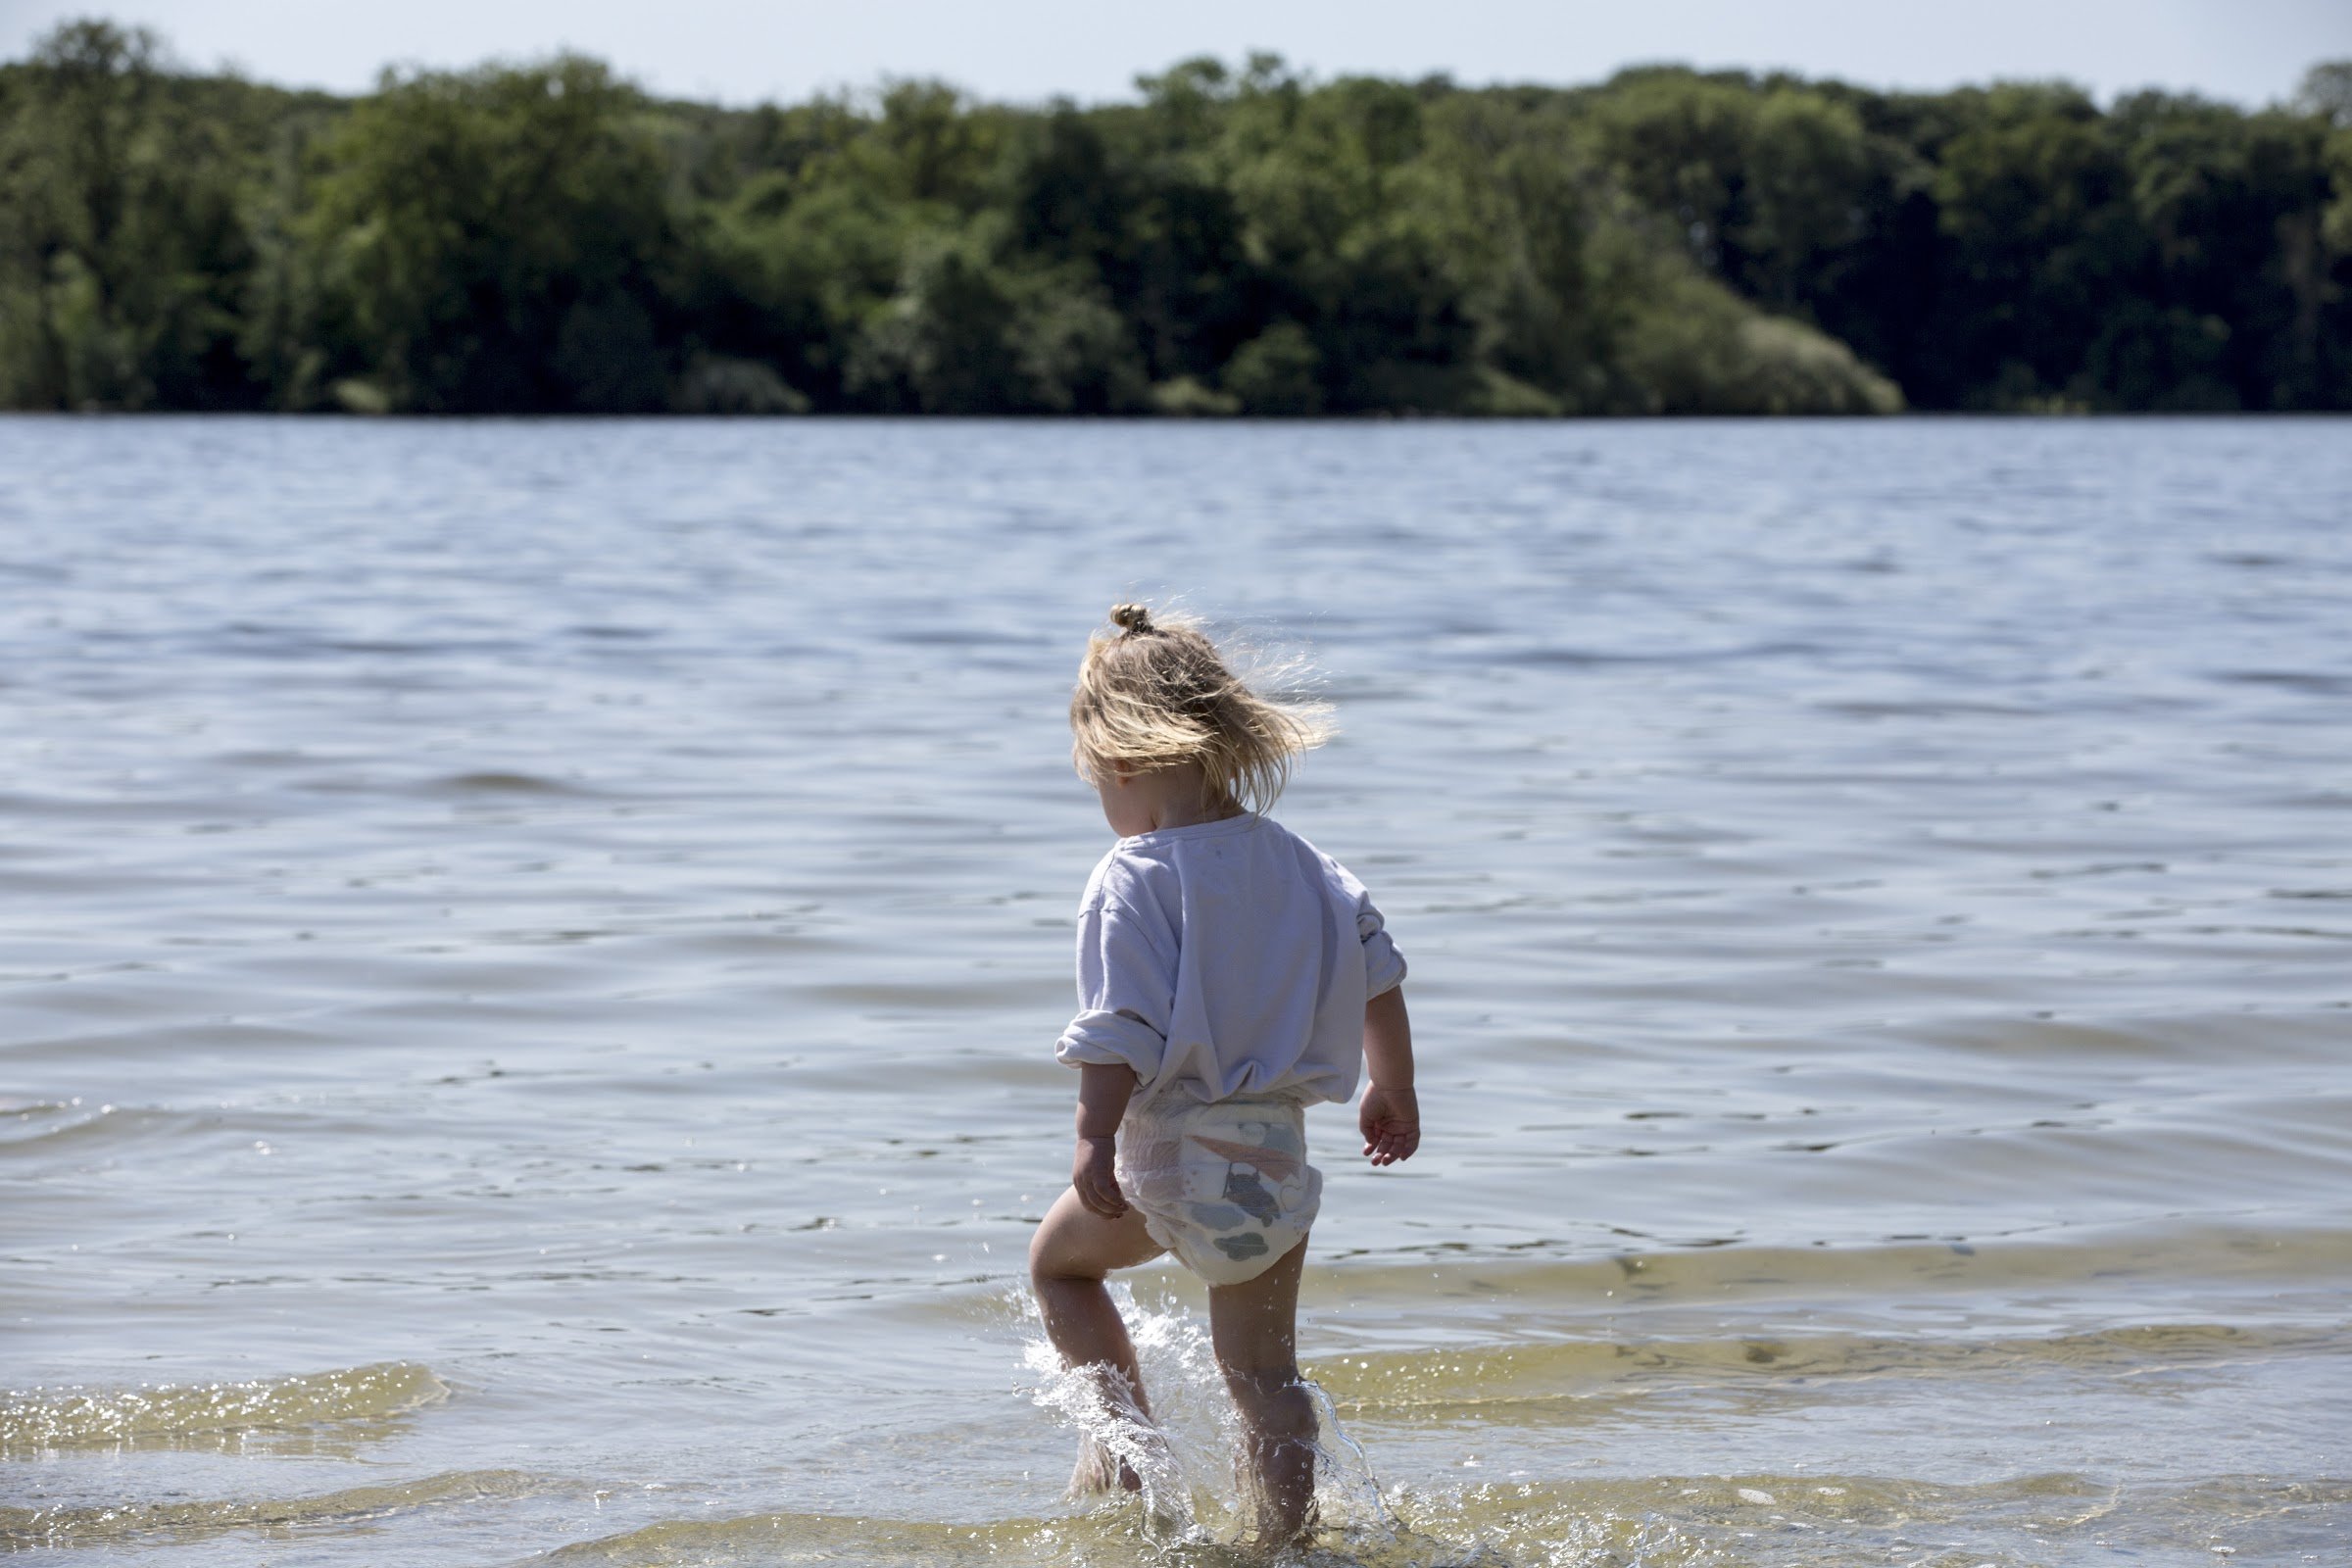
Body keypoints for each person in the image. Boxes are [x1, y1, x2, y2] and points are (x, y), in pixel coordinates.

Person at [1028, 602, 1419, 1549]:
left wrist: (1092, 1137)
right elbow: (1381, 977)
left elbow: (1117, 1025)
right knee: (1265, 1380)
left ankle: (1124, 1456)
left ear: (1119, 762)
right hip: (1276, 1162)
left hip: (1169, 1151)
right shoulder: (1308, 864)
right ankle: (1281, 1540)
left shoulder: (1134, 873)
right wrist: (1392, 1088)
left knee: (1059, 1270)